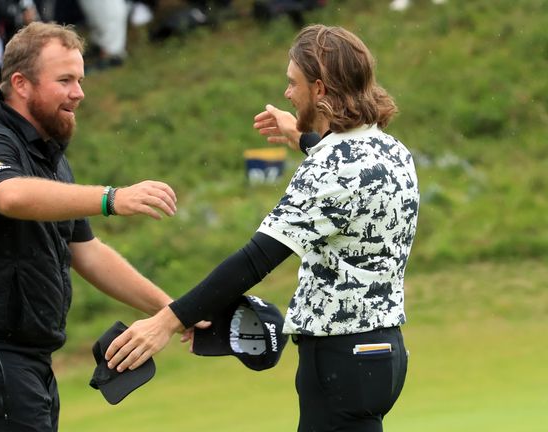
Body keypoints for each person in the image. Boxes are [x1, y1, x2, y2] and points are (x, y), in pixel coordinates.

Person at [105, 24, 420, 431]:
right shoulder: (390, 150)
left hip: (339, 359)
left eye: (293, 83)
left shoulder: (330, 169)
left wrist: (166, 321)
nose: (287, 93)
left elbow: (256, 259)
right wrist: (302, 136)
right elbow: (348, 174)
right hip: (382, 353)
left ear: (320, 90)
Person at [0, 21, 181, 432]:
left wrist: (173, 311)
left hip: (19, 359)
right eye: (65, 80)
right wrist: (112, 198)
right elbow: (11, 196)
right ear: (20, 83)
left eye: (80, 79)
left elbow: (86, 252)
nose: (79, 93)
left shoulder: (45, 155)